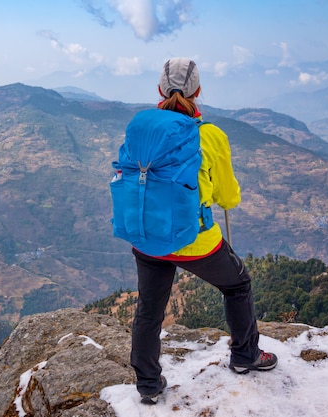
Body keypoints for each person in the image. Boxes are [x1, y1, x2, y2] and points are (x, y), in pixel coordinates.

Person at [130, 58, 278, 405]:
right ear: (197, 91)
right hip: (194, 240)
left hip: (147, 236)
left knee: (149, 310)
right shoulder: (209, 135)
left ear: (158, 91)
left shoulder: (139, 130)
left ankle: (148, 383)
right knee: (237, 285)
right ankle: (245, 356)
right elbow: (227, 197)